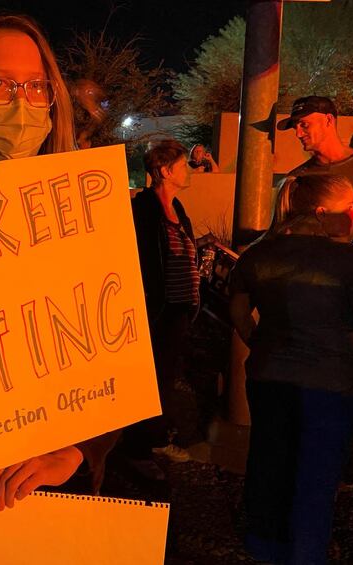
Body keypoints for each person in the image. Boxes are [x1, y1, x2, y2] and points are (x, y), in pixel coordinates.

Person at [0, 14, 117, 510]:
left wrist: (79, 450)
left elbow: (125, 354)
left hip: (58, 487)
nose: (20, 101)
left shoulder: (91, 215)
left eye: (35, 86)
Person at [230, 174, 353, 564]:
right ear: (323, 213)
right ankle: (306, 552)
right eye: (349, 207)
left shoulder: (259, 252)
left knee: (269, 461)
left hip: (268, 377)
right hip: (329, 383)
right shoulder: (349, 260)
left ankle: (263, 544)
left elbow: (238, 311)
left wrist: (260, 342)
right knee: (316, 473)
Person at [125, 139, 200, 480]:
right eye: (183, 165)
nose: (188, 171)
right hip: (158, 310)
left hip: (179, 309)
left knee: (166, 377)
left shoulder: (178, 206)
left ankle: (156, 438)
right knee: (150, 380)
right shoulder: (144, 209)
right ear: (166, 171)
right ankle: (139, 449)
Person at [277, 96, 353, 258]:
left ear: (328, 120)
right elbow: (283, 231)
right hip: (306, 272)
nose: (298, 133)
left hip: (352, 275)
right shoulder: (297, 178)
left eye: (304, 124)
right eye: (295, 127)